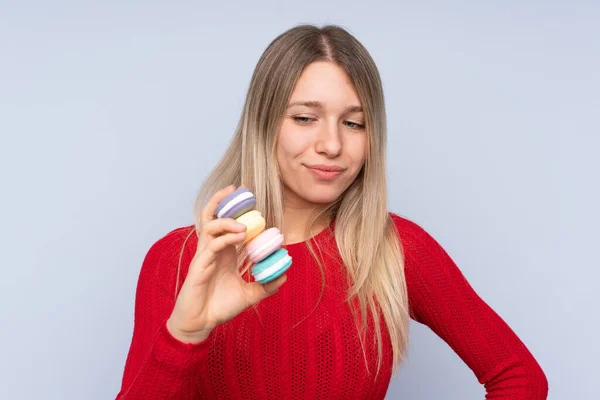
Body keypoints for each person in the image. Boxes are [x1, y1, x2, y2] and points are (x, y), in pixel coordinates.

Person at [115, 24, 548, 399]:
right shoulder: (177, 262)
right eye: (305, 118)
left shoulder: (395, 249)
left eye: (354, 122)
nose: (333, 145)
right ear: (264, 124)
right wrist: (186, 336)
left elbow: (520, 379)